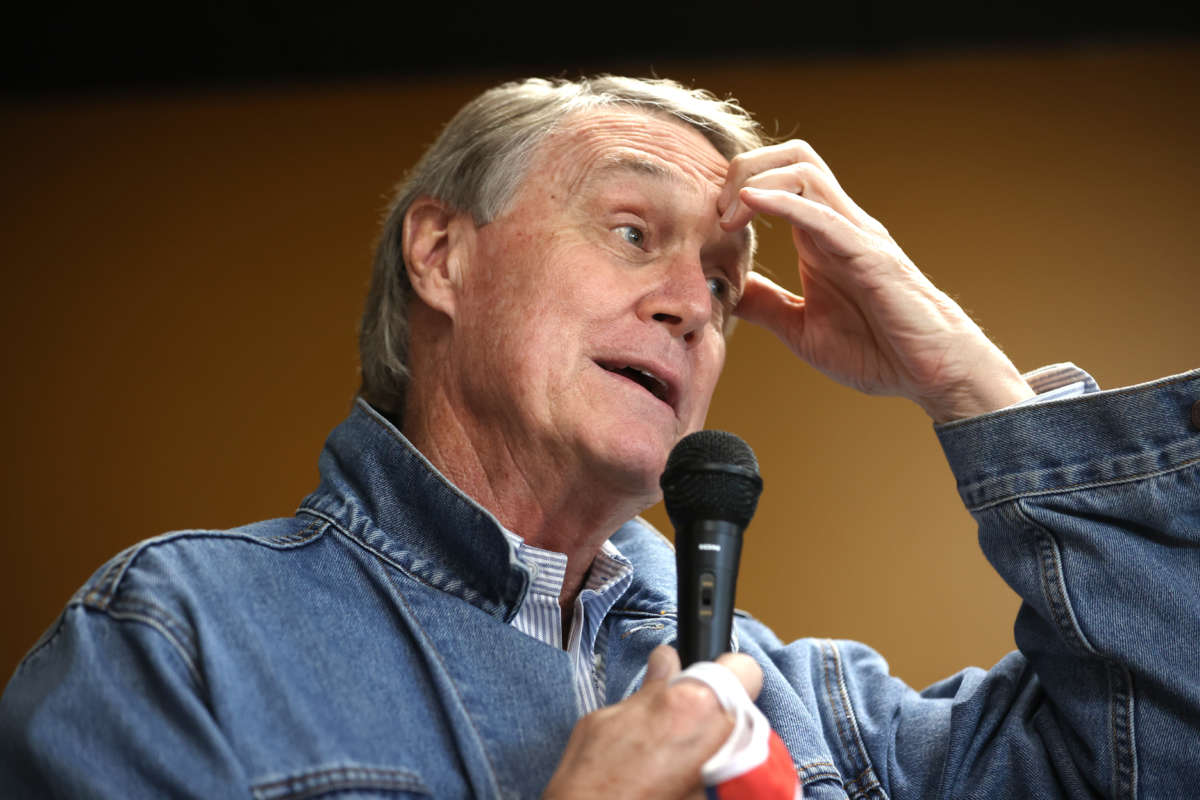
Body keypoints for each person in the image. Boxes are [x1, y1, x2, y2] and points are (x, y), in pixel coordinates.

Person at [1, 75, 1196, 799]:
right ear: (442, 254)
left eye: (725, 285)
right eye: (634, 232)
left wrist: (970, 377)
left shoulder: (828, 713)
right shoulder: (177, 642)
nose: (691, 300)